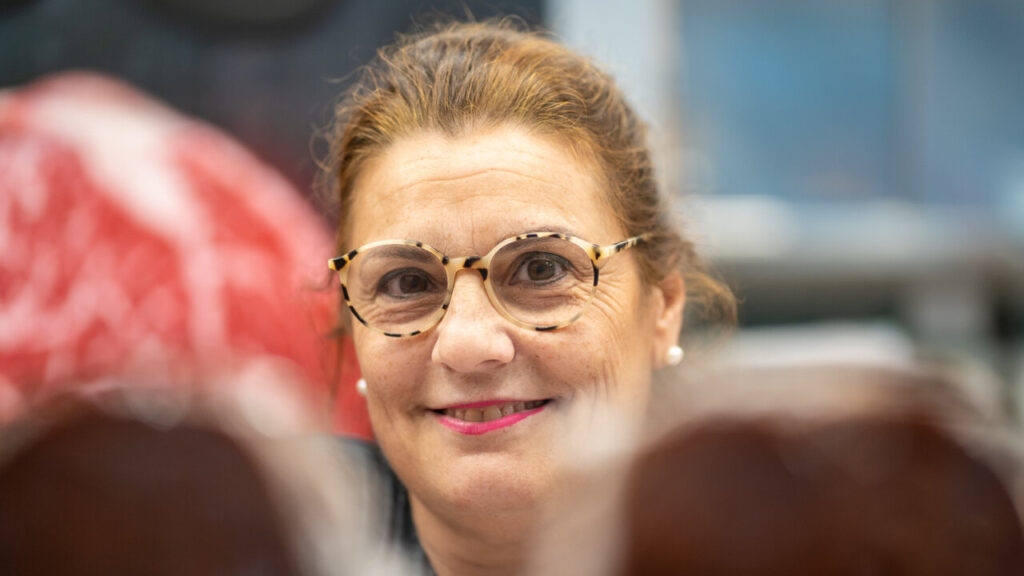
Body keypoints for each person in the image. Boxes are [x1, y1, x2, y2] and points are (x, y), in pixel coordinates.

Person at [322, 19, 734, 576]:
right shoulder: (250, 541)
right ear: (355, 329)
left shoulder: (815, 546)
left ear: (663, 309)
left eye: (541, 269)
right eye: (407, 283)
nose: (469, 344)